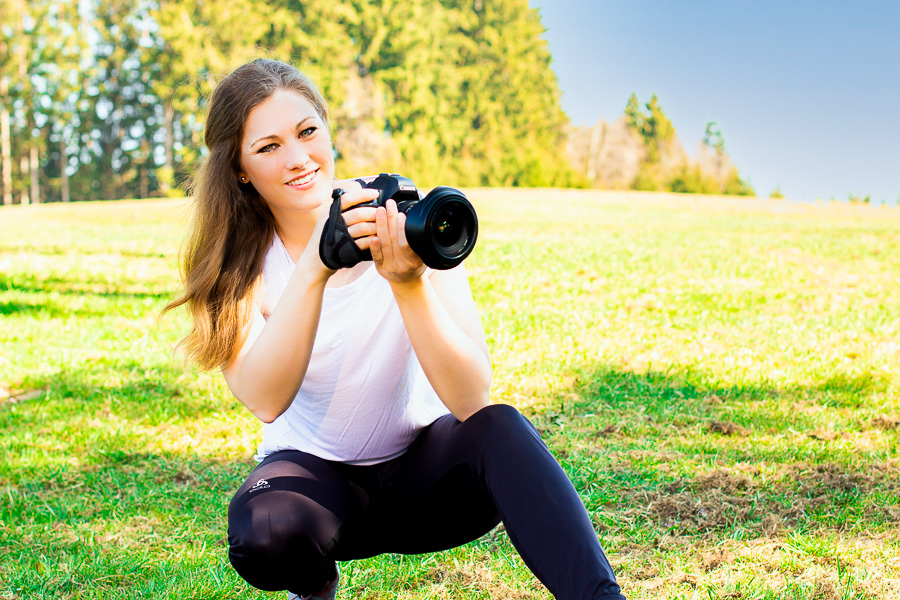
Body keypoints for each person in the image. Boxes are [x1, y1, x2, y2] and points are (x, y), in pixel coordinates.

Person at [166, 58, 625, 600]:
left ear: (328, 130)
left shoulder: (403, 215)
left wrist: (409, 284)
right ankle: (313, 587)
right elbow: (264, 398)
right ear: (239, 167)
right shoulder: (238, 261)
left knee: (501, 428)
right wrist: (315, 266)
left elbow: (471, 395)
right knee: (264, 530)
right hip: (321, 493)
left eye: (308, 132)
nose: (298, 159)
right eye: (268, 147)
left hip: (427, 482)